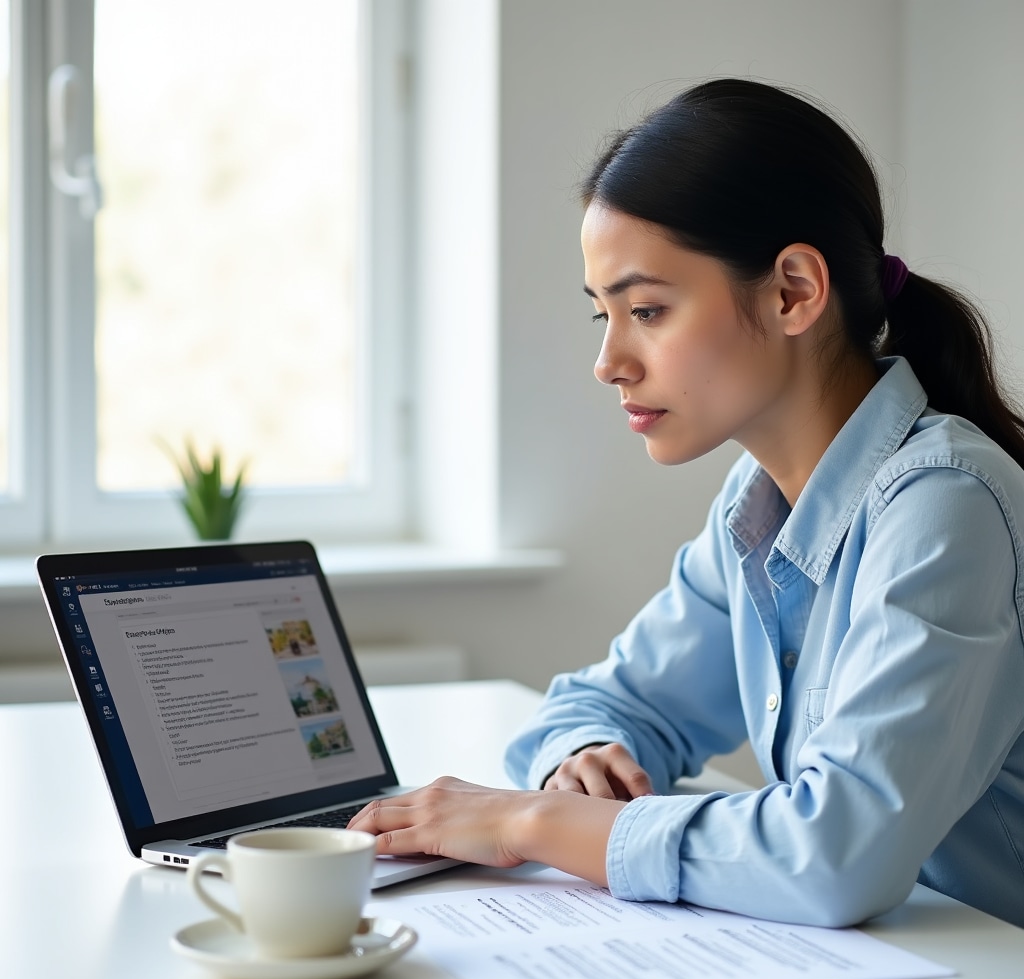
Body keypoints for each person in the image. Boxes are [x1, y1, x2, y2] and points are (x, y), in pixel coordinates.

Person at [349, 78, 1024, 928]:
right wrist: (584, 759)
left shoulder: (946, 504)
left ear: (793, 292)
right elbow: (604, 703)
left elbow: (836, 855)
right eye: (602, 314)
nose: (610, 360)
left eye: (647, 310)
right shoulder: (758, 506)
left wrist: (530, 819)